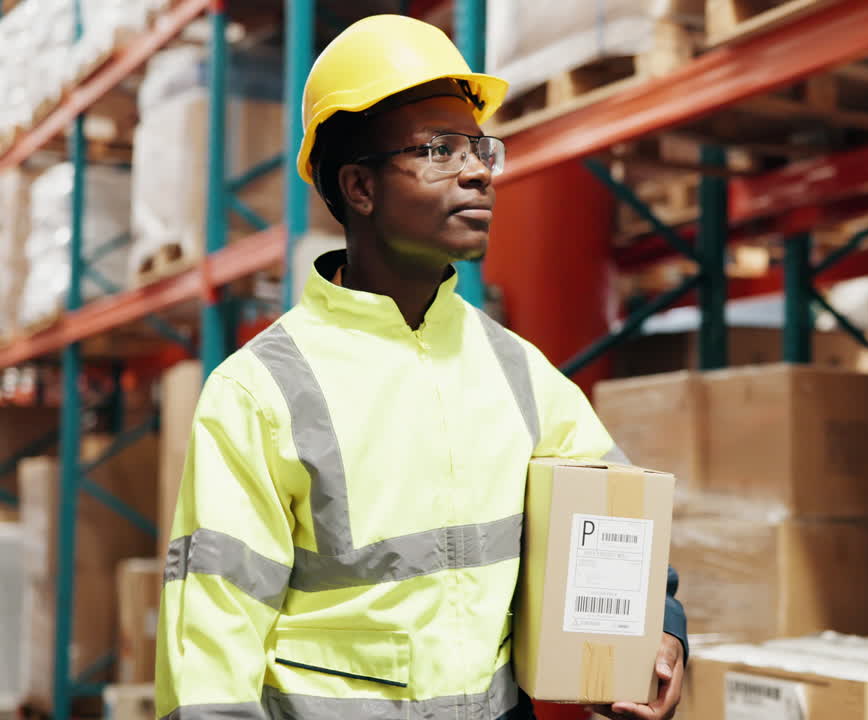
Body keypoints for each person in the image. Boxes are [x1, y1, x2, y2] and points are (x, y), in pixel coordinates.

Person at [154, 15, 686, 720]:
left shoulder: (518, 373)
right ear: (360, 187)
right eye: (438, 149)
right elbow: (211, 656)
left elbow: (618, 527)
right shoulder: (260, 393)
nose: (477, 170)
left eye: (478, 148)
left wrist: (660, 634)